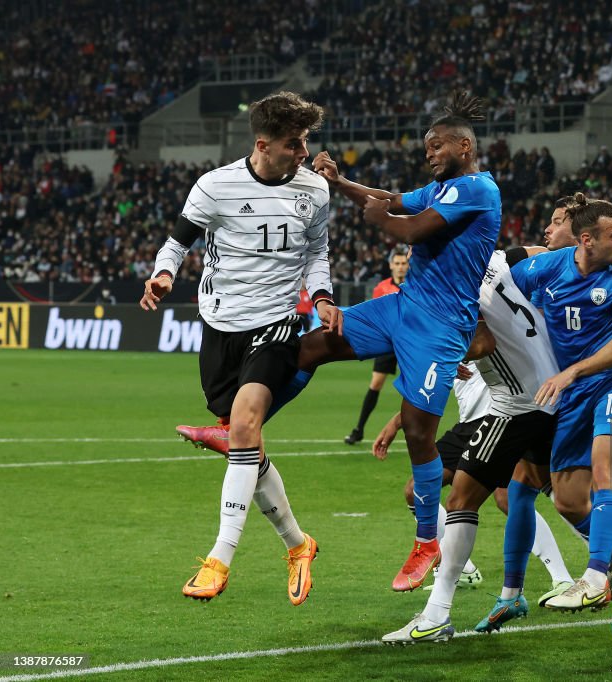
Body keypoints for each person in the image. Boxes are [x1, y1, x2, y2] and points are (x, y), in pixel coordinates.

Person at [139, 91, 334, 605]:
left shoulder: (315, 190)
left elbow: (317, 252)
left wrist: (322, 295)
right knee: (246, 445)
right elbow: (178, 240)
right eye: (294, 143)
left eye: (306, 141)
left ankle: (219, 558)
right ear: (262, 143)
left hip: (275, 323)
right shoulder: (215, 186)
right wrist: (162, 273)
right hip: (220, 327)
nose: (303, 152)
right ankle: (299, 544)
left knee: (245, 426)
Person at [301, 91, 500, 591]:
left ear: (464, 146)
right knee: (315, 343)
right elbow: (392, 201)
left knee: (417, 430)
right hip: (403, 308)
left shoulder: (477, 189)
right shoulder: (441, 188)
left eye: (437, 146)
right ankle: (240, 428)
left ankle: (426, 542)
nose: (429, 153)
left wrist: (381, 222)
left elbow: (409, 228)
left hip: (441, 326)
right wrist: (339, 181)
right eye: (426, 146)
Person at [381, 245, 576, 643]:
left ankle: (436, 615)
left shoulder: (463, 288)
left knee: (463, 501)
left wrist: (443, 350)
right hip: (541, 401)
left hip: (513, 408)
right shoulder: (500, 261)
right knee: (558, 499)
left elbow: (483, 342)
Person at [508, 193, 612, 635]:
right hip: (572, 396)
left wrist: (572, 370)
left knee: (604, 470)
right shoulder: (547, 267)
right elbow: (497, 285)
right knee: (568, 500)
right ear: (588, 239)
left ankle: (594, 577)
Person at [344, 245, 411, 445]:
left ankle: (414, 432)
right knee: (375, 385)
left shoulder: (416, 286)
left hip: (409, 344)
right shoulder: (381, 288)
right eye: (397, 263)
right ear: (391, 265)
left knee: (414, 389)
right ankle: (359, 429)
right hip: (388, 344)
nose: (400, 267)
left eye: (404, 263)